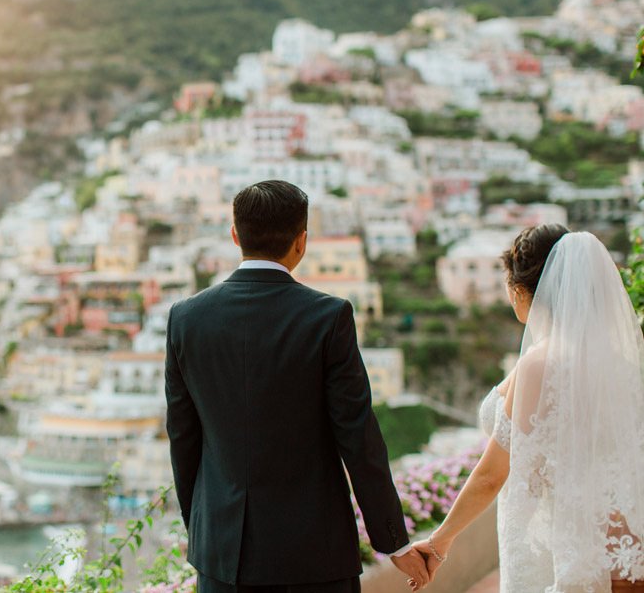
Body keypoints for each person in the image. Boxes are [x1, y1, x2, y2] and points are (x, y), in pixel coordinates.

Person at [165, 180, 430, 593]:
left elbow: (183, 437)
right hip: (314, 555)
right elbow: (358, 439)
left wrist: (204, 527)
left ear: (235, 235)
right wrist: (394, 541)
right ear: (301, 241)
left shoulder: (185, 319)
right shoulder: (328, 318)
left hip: (221, 555)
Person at [414, 225, 644, 591]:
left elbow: (493, 474)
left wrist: (439, 541)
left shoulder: (541, 365)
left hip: (578, 555)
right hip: (628, 548)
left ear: (519, 290)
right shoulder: (622, 365)